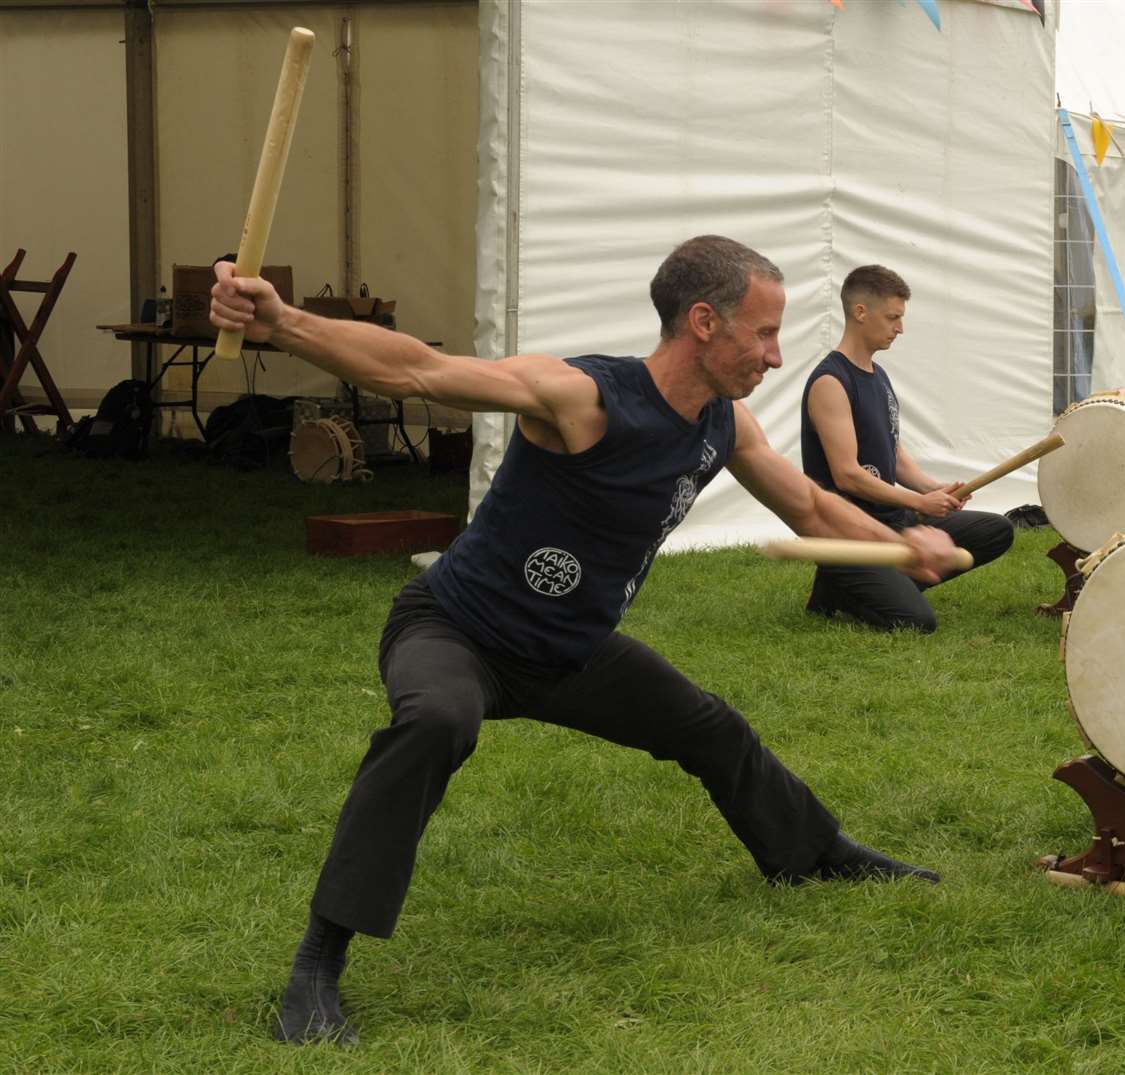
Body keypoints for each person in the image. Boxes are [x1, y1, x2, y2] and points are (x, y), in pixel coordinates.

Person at [208, 236, 957, 1046]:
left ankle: (816, 850)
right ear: (703, 322)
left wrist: (903, 534)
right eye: (764, 334)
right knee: (435, 721)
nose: (777, 358)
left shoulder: (724, 423)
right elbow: (416, 372)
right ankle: (318, 964)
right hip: (457, 628)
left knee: (711, 727)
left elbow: (809, 509)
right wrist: (283, 324)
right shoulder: (582, 396)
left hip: (569, 648)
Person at [798, 264, 1013, 631]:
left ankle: (873, 585)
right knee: (917, 621)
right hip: (849, 532)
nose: (900, 328)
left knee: (997, 530)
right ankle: (843, 585)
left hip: (894, 523)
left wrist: (933, 490)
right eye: (893, 317)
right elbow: (846, 474)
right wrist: (918, 503)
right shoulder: (831, 382)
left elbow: (892, 454)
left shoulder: (878, 376)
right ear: (860, 313)